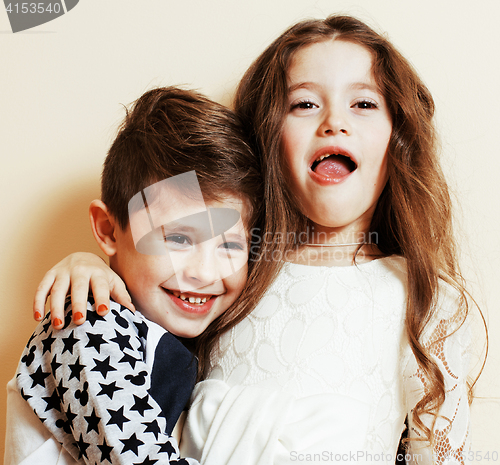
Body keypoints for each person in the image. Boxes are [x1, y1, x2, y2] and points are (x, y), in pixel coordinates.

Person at [28, 15, 479, 465]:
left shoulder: (426, 299)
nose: (334, 122)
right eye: (304, 104)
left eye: (363, 103)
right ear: (269, 134)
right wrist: (89, 267)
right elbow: (138, 348)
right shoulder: (238, 274)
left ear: (396, 136)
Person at [4, 86, 269, 465]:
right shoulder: (87, 325)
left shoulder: (169, 331)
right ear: (110, 230)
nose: (205, 272)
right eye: (178, 238)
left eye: (230, 246)